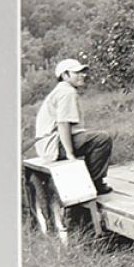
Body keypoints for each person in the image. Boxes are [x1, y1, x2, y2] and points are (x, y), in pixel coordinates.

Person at [34, 59, 114, 195]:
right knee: (102, 139)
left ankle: (90, 180)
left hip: (47, 144)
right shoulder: (67, 92)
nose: (82, 75)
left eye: (83, 72)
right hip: (53, 145)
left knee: (92, 137)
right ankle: (94, 184)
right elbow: (63, 123)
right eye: (76, 72)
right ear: (65, 75)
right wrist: (70, 154)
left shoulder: (63, 90)